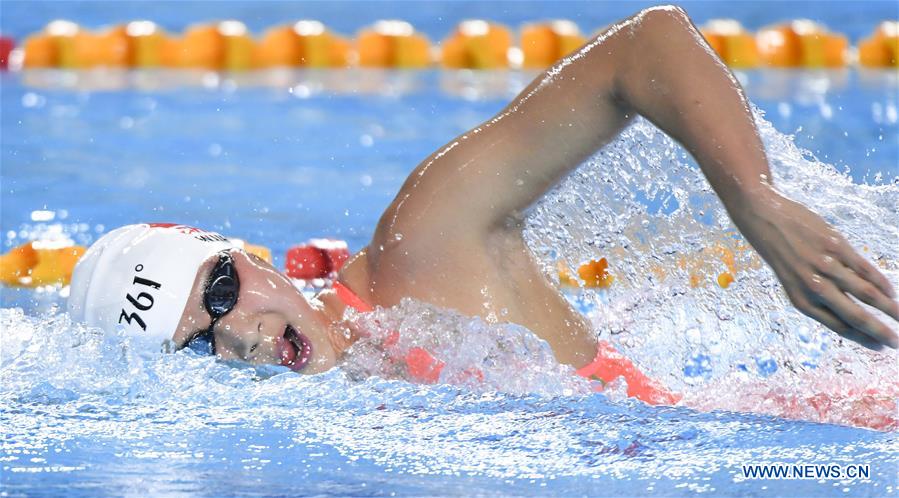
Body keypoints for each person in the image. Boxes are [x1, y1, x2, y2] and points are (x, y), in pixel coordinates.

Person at [68, 6, 898, 403]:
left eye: (220, 293)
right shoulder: (348, 397)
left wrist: (754, 202)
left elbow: (648, 46)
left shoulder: (419, 250)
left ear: (244, 253)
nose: (236, 334)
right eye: (196, 343)